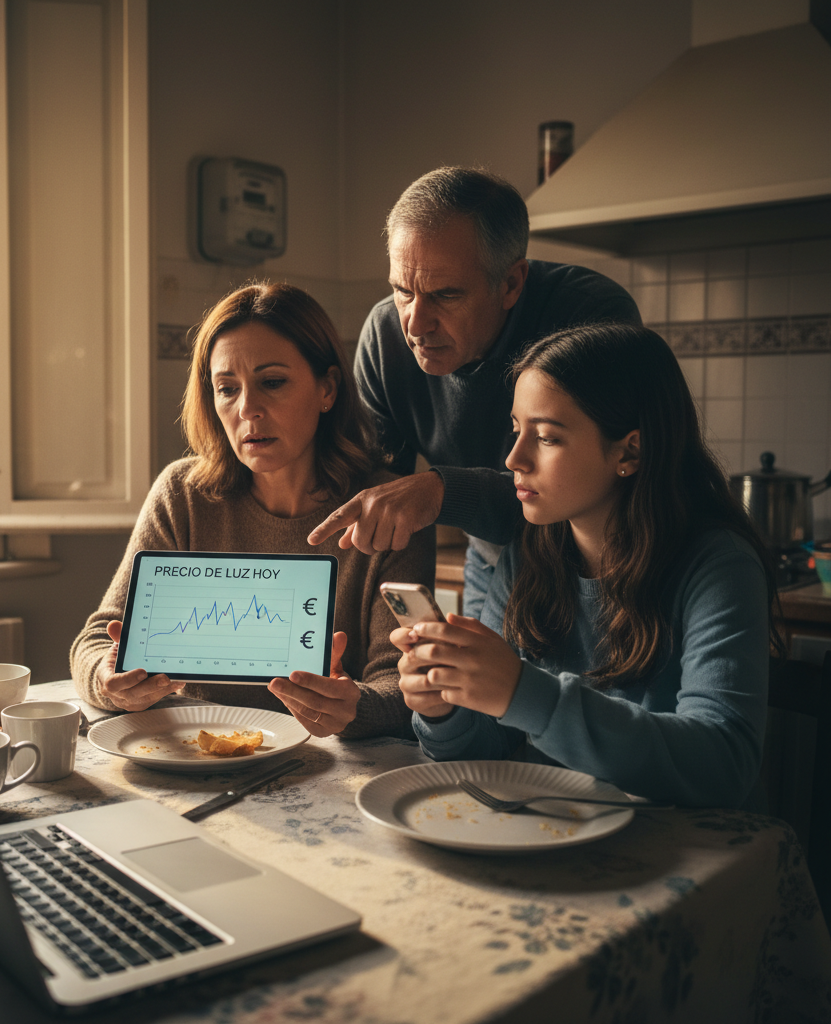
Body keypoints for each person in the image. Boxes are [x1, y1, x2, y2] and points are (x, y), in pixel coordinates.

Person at [392, 323, 778, 807]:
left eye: (547, 438)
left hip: (685, 851)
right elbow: (490, 747)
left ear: (629, 450)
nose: (514, 458)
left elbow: (722, 765)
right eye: (516, 430)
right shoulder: (528, 555)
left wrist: (524, 692)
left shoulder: (719, 567)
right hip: (554, 835)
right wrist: (444, 711)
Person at [70, 282, 435, 740]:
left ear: (327, 389)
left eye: (273, 382)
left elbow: (404, 688)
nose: (248, 409)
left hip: (325, 770)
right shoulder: (180, 494)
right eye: (227, 389)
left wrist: (356, 706)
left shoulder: (387, 510)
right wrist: (108, 681)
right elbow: (98, 638)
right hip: (188, 754)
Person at [309, 167, 641, 619]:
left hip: (599, 562)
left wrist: (442, 491)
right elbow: (380, 493)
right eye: (402, 290)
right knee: (474, 689)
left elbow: (591, 489)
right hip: (489, 555)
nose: (414, 325)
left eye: (445, 295)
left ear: (511, 284)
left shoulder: (591, 318)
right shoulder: (385, 336)